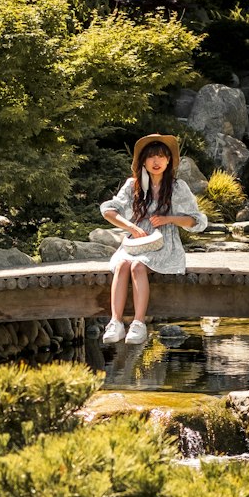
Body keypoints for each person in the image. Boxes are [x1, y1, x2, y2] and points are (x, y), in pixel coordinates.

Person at [99, 133, 207, 346]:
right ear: (143, 162)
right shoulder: (133, 185)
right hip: (136, 240)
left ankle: (138, 324)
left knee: (138, 266)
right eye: (151, 157)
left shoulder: (177, 187)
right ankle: (116, 323)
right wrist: (131, 226)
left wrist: (169, 219)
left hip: (164, 242)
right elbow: (109, 211)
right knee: (122, 264)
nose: (156, 162)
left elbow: (197, 221)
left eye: (161, 157)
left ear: (169, 161)